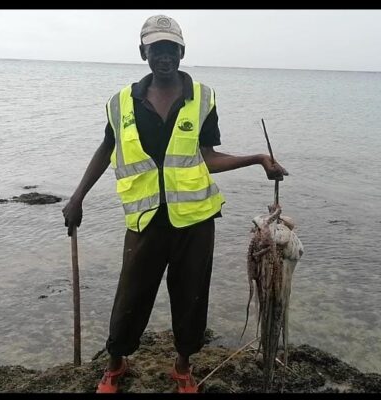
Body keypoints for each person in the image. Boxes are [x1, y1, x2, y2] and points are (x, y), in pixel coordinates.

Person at [62, 14, 287, 393]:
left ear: (181, 52)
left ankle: (182, 367)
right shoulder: (120, 103)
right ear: (143, 52)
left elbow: (207, 156)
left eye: (171, 48)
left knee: (191, 297)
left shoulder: (203, 97)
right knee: (131, 296)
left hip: (195, 222)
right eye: (156, 48)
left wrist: (256, 159)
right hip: (144, 220)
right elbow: (107, 148)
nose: (164, 56)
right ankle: (116, 363)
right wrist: (77, 196)